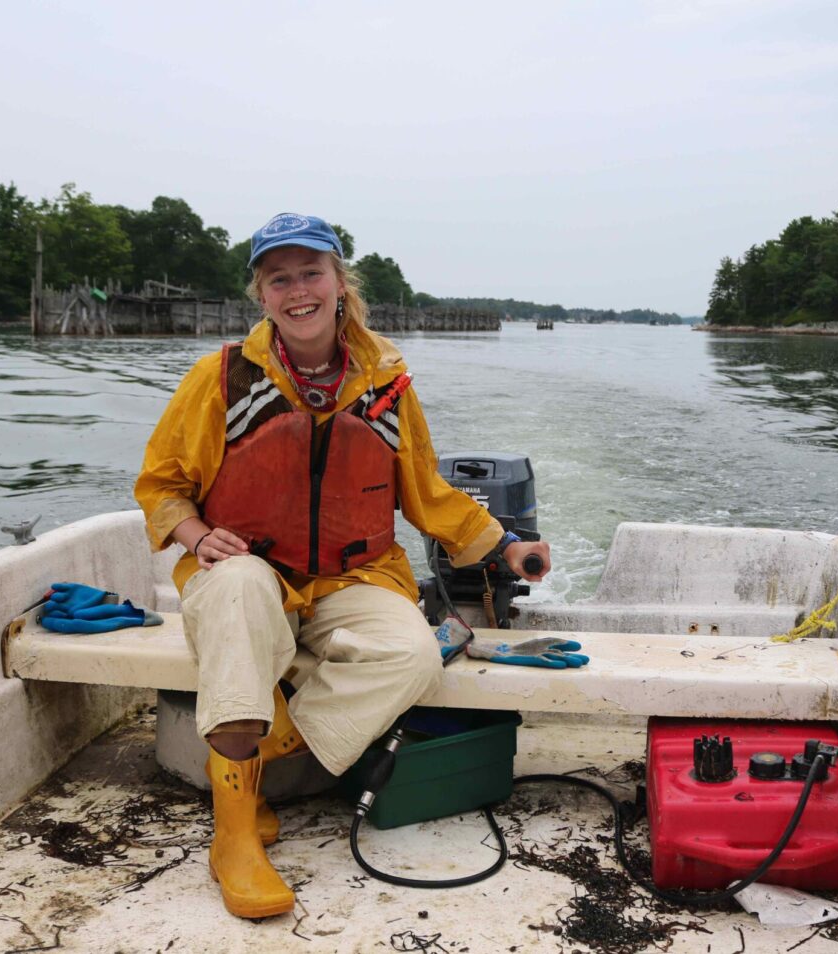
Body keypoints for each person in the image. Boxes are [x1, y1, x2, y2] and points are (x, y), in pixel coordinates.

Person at [134, 212, 550, 919]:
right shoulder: (221, 378)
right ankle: (234, 836)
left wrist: (505, 542)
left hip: (354, 577)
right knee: (234, 585)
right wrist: (197, 533)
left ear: (338, 282)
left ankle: (250, 767)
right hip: (251, 574)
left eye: (311, 273)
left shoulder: (387, 383)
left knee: (413, 654)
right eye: (279, 279)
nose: (298, 290)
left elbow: (427, 491)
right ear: (261, 295)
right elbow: (161, 484)